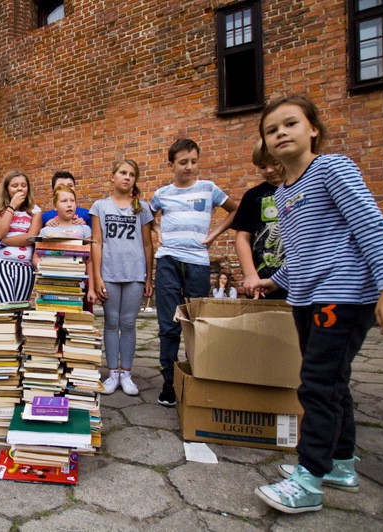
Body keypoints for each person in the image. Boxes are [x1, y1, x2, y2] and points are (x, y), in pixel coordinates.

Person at [252, 95, 383, 514]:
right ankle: (340, 465)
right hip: (308, 298)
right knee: (333, 383)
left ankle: (308, 480)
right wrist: (275, 281)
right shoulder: (285, 193)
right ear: (266, 145)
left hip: (341, 297)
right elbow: (303, 252)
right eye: (272, 130)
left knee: (317, 386)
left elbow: (370, 224)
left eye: (291, 124)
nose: (281, 133)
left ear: (314, 130)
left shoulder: (332, 169)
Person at [150, 139, 238, 407]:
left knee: (196, 322)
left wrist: (213, 235)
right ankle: (168, 380)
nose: (190, 167)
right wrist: (158, 232)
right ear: (171, 165)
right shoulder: (161, 194)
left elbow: (235, 210)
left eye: (194, 161)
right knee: (168, 324)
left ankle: (196, 375)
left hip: (198, 263)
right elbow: (148, 218)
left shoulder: (208, 189)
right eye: (183, 162)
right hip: (167, 263)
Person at [89, 160, 154, 396]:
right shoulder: (100, 206)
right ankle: (112, 373)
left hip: (135, 273)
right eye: (123, 173)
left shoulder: (142, 207)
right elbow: (97, 242)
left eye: (132, 174)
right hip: (109, 273)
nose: (127, 177)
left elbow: (148, 244)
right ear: (112, 176)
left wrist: (148, 277)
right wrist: (97, 276)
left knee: (128, 323)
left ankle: (126, 373)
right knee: (111, 322)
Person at [231, 140, 287, 300]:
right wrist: (250, 274)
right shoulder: (253, 196)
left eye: (275, 163)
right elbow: (242, 237)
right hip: (262, 282)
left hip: (300, 280)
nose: (269, 170)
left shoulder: (303, 189)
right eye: (262, 166)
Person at [0, 170, 42, 303]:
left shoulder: (35, 210)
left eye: (23, 185)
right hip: (1, 264)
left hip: (25, 266)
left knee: (19, 309)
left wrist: (5, 241)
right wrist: (12, 207)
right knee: (5, 308)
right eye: (15, 185)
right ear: (7, 189)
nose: (20, 188)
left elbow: (31, 238)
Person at [33, 184, 93, 266]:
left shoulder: (84, 229)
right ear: (55, 206)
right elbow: (36, 258)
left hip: (77, 276)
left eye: (72, 201)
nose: (69, 204)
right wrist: (44, 268)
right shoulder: (46, 231)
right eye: (64, 201)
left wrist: (91, 279)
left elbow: (90, 260)